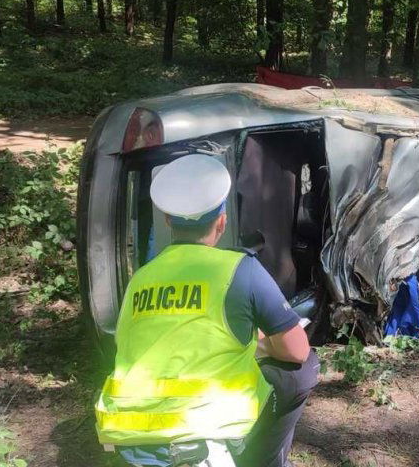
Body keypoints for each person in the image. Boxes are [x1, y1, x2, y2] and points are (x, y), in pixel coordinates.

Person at [94, 154, 319, 467]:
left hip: (128, 436)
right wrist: (259, 343)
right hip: (201, 439)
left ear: (168, 221)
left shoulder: (140, 278)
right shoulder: (239, 268)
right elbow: (297, 350)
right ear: (222, 221)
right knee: (305, 367)